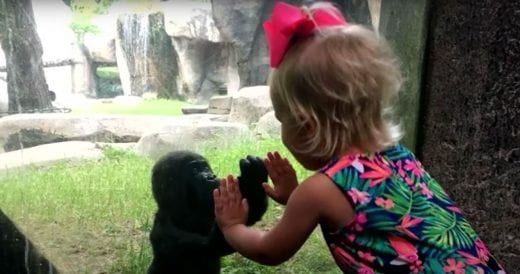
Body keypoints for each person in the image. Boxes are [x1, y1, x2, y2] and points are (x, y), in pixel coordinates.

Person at [213, 2, 506, 273]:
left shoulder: (317, 193)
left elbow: (269, 251)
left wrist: (232, 227)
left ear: (307, 126)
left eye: (282, 120)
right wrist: (295, 200)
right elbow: (369, 217)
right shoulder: (399, 156)